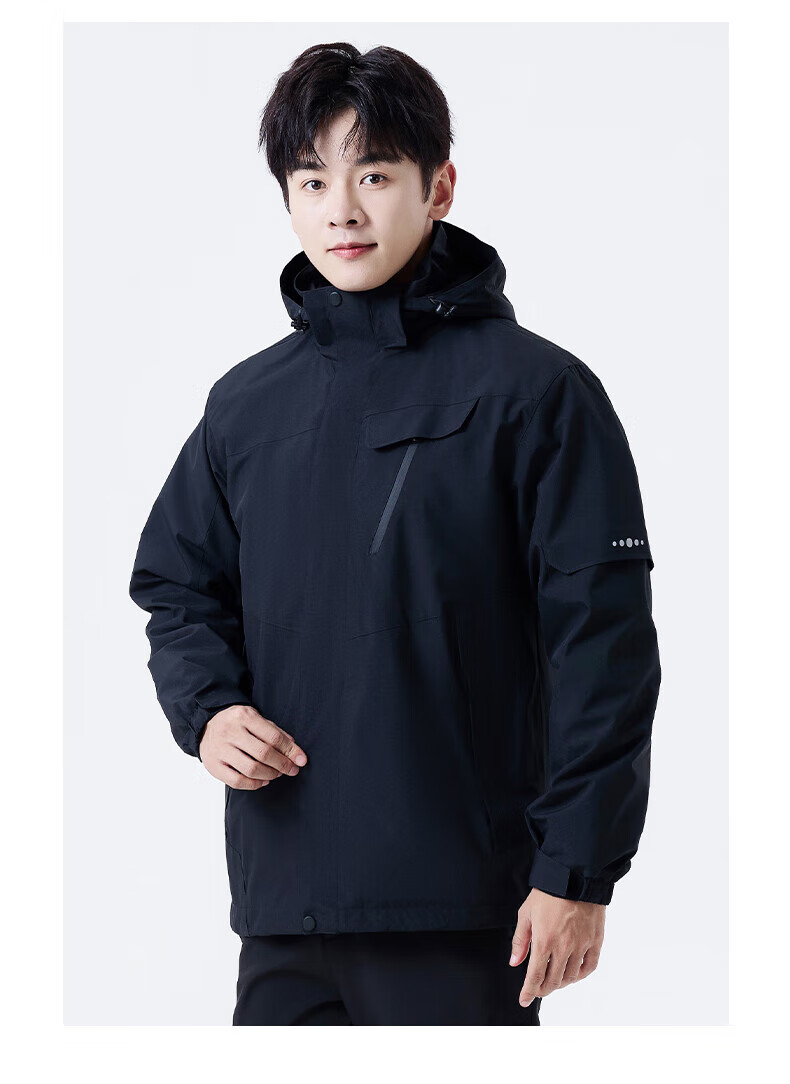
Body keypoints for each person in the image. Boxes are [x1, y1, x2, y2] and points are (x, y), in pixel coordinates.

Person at [129, 41, 661, 1026]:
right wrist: (207, 710)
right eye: (312, 180)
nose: (341, 208)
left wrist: (578, 872)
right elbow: (177, 582)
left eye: (373, 174)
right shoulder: (246, 405)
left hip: (464, 910)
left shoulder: (536, 392)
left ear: (438, 186)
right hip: (284, 910)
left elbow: (604, 646)